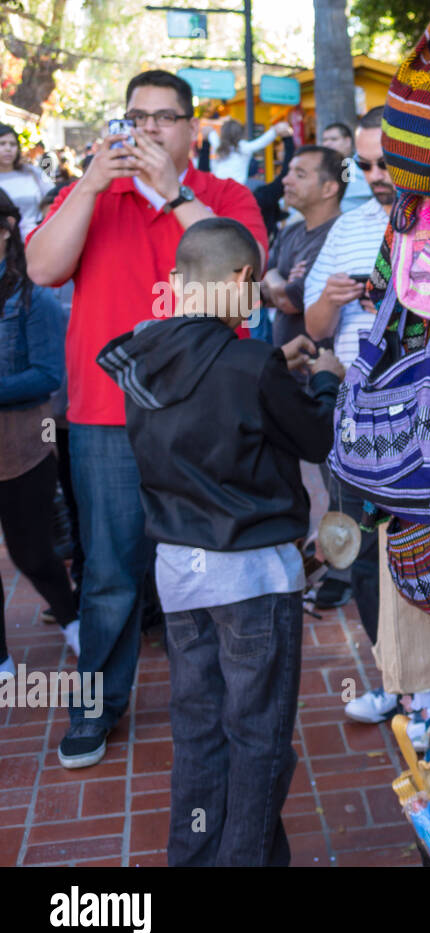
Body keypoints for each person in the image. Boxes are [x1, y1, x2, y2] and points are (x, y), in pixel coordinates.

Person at [27, 69, 270, 770]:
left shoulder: (218, 198)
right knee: (109, 569)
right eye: (139, 116)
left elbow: (242, 281)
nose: (151, 129)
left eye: (167, 117)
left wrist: (173, 193)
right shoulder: (92, 196)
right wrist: (91, 186)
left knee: (219, 562)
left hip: (208, 415)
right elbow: (43, 269)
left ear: (192, 128)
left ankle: (237, 703)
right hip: (107, 415)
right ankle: (97, 705)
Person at [96, 218, 343, 866]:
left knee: (202, 732)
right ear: (241, 279)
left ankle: (196, 856)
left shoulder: (144, 352)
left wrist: (273, 372)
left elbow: (212, 396)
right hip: (252, 577)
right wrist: (324, 380)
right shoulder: (249, 363)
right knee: (258, 738)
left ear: (180, 282)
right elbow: (318, 439)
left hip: (180, 570)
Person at [303, 106, 406, 726]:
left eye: (386, 162)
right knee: (363, 551)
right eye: (363, 164)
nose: (374, 174)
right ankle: (392, 676)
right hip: (355, 416)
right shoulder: (347, 228)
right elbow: (316, 332)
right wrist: (327, 300)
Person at [0, 189, 80, 677]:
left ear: (6, 227)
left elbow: (49, 374)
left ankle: (72, 621)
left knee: (32, 551)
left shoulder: (30, 294)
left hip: (21, 447)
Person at [262, 146, 344, 347]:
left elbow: (290, 301)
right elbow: (260, 293)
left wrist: (272, 277)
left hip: (323, 367)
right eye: (289, 171)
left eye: (300, 174)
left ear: (329, 189)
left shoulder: (341, 235)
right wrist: (276, 280)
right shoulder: (289, 231)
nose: (285, 180)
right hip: (286, 366)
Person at [0, 125, 54, 239]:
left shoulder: (33, 172)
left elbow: (53, 196)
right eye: (2, 143)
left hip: (36, 240)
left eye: (12, 144)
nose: (8, 148)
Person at [208, 117, 293, 185]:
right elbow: (262, 141)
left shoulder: (219, 146)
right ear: (240, 132)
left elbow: (209, 131)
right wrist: (275, 130)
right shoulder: (244, 147)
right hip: (236, 188)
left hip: (218, 186)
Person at [319, 121, 372, 214]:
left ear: (348, 141)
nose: (327, 144)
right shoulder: (319, 169)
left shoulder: (364, 166)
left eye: (333, 139)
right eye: (325, 140)